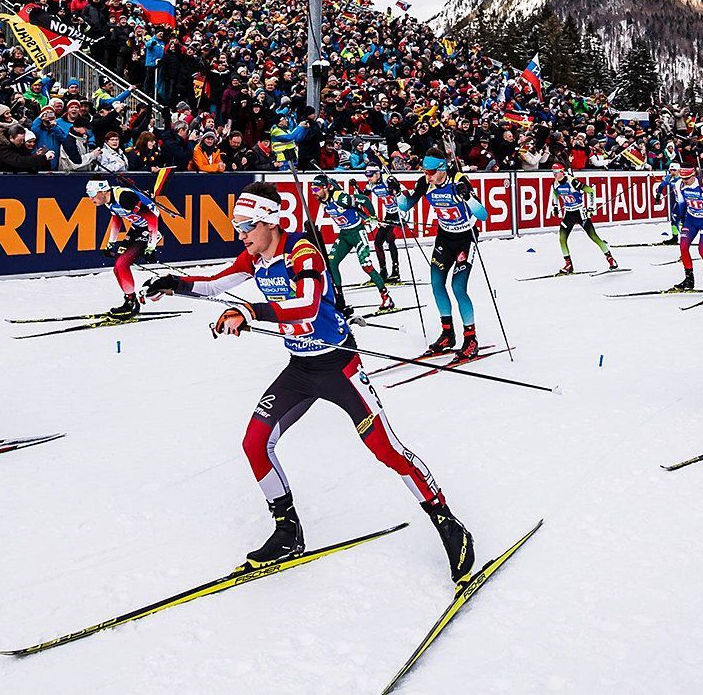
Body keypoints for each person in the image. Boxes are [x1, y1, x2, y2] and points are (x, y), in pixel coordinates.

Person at [142, 183, 475, 582]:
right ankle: (287, 532)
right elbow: (214, 285)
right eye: (236, 227)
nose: (240, 234)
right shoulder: (254, 257)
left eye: (246, 226)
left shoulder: (302, 252)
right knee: (254, 443)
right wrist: (171, 283)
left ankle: (447, 522)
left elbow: (307, 306)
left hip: (338, 368)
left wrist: (249, 311)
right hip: (300, 369)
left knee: (386, 449)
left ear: (269, 221)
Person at [395, 152, 489, 358]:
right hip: (444, 238)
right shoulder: (424, 183)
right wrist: (397, 193)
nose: (427, 176)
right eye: (424, 172)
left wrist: (467, 197)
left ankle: (471, 339)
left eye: (430, 172)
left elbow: (483, 215)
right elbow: (405, 205)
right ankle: (448, 334)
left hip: (466, 238)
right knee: (437, 284)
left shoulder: (458, 180)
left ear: (442, 169)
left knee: (458, 287)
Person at [309, 174, 394, 312]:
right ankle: (340, 299)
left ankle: (386, 298)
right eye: (312, 189)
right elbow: (352, 209)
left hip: (357, 233)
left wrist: (372, 217)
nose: (314, 192)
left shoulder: (340, 197)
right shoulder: (323, 199)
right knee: (331, 263)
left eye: (316, 189)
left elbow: (364, 200)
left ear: (325, 188)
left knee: (366, 266)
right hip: (344, 235)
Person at [86, 178, 163, 318]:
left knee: (122, 264)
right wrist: (110, 244)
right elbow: (117, 219)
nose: (90, 198)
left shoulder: (124, 198)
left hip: (152, 228)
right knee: (117, 267)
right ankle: (130, 300)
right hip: (138, 228)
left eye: (92, 194)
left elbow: (152, 218)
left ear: (103, 191)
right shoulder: (108, 200)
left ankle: (131, 303)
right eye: (88, 194)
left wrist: (151, 247)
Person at [550, 164, 618, 274]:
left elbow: (590, 191)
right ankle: (568, 264)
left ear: (562, 171)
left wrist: (591, 208)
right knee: (562, 238)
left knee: (594, 237)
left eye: (556, 172)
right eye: (553, 172)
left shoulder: (573, 182)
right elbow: (555, 193)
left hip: (580, 213)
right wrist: (555, 207)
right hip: (568, 214)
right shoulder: (555, 184)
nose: (554, 175)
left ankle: (610, 259)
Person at [667, 166, 703, 295]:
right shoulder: (679, 184)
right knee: (683, 247)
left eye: (687, 178)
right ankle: (689, 280)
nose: (685, 181)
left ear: (693, 175)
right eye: (682, 178)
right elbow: (681, 203)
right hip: (691, 220)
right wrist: (682, 219)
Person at [362, 163, 405, 283]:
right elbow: (363, 197)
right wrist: (356, 189)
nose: (368, 178)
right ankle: (383, 271)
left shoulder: (387, 179)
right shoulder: (371, 184)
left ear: (377, 173)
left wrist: (396, 188)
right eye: (366, 175)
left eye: (370, 175)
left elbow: (404, 195)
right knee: (377, 242)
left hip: (400, 213)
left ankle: (396, 272)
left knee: (390, 239)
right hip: (389, 214)